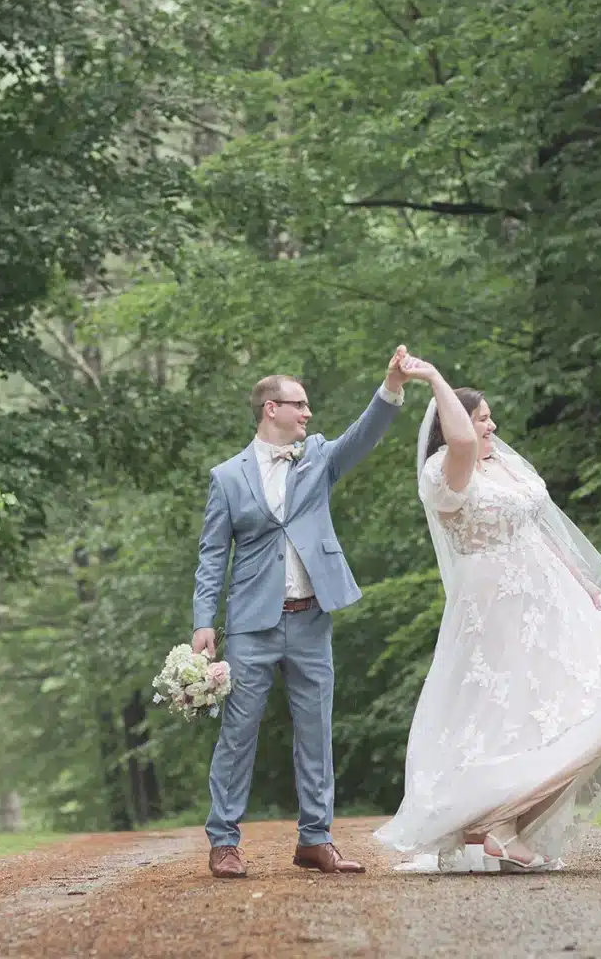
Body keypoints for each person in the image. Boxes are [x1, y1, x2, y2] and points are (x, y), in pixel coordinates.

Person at [373, 358, 601, 872]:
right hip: (497, 602)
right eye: (482, 419)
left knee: (566, 698)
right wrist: (434, 380)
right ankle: (501, 825)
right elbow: (460, 443)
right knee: (514, 708)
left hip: (550, 596)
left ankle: (507, 827)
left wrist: (583, 582)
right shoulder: (445, 474)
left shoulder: (501, 463)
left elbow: (537, 529)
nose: (491, 427)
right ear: (455, 421)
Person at [192, 346, 419, 878]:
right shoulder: (227, 478)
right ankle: (224, 840)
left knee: (316, 731)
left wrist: (390, 387)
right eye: (300, 404)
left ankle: (315, 839)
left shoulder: (317, 457)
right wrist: (205, 621)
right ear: (271, 408)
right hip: (251, 624)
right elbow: (211, 555)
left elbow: (363, 434)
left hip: (312, 617)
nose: (308, 414)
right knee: (237, 734)